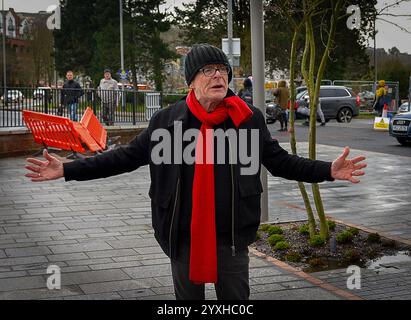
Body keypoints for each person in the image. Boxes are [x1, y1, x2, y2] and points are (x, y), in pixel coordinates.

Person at [25, 43, 367, 300]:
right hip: (181, 236)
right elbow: (124, 158)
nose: (218, 75)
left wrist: (328, 170)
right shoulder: (166, 122)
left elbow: (281, 162)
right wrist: (68, 170)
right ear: (192, 81)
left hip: (232, 238)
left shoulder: (247, 120)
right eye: (208, 70)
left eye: (222, 69)